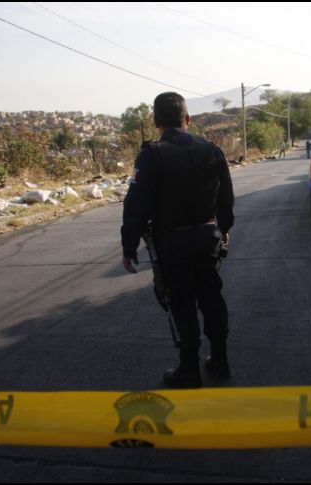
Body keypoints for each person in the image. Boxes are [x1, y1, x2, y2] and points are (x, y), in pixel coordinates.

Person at [121, 92, 234, 389]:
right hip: (207, 237)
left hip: (173, 243)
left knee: (181, 301)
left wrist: (128, 247)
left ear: (155, 121)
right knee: (211, 297)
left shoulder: (152, 155)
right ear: (188, 118)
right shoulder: (212, 150)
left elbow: (135, 205)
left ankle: (189, 369)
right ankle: (220, 361)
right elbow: (226, 195)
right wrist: (224, 227)